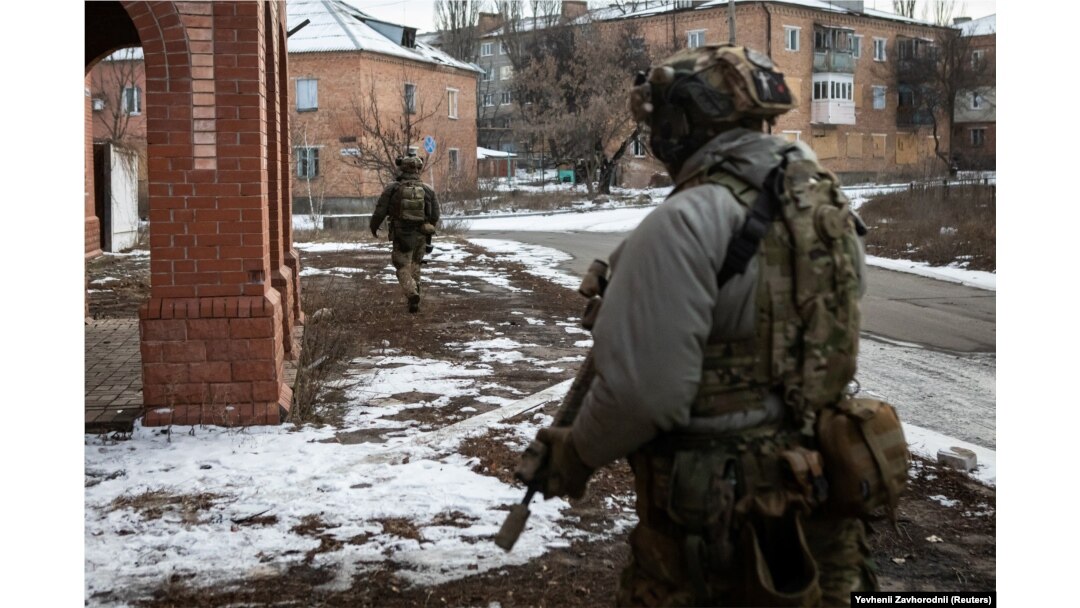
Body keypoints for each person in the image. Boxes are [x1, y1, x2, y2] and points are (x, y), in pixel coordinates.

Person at [527, 45, 878, 606]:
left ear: (680, 124)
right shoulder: (825, 207)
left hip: (717, 530)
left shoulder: (687, 219)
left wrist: (575, 453)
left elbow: (644, 395)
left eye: (660, 122)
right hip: (817, 497)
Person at [370, 154, 440, 313]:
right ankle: (415, 301)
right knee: (416, 264)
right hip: (422, 234)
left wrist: (374, 227)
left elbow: (380, 211)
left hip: (401, 233)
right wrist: (429, 228)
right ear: (417, 169)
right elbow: (435, 214)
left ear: (402, 168)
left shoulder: (393, 188)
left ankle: (412, 294)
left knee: (402, 265)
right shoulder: (428, 189)